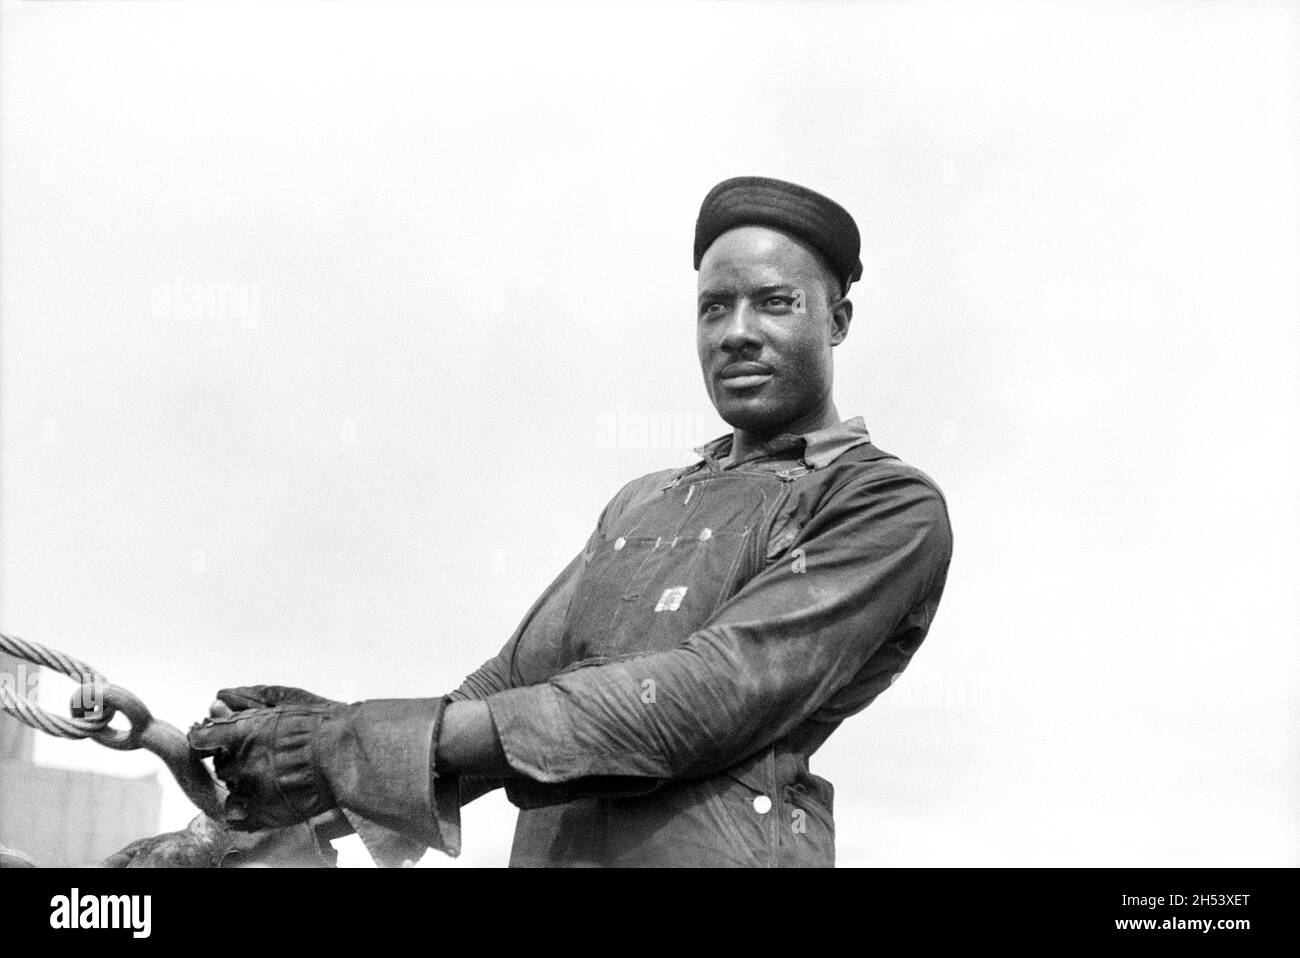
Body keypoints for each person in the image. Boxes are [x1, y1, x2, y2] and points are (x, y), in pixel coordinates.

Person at [115, 176, 953, 868]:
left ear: (836, 319)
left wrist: (350, 741)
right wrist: (261, 790)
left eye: (774, 304)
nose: (736, 332)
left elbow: (700, 697)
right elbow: (504, 687)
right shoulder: (647, 499)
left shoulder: (883, 504)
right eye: (712, 308)